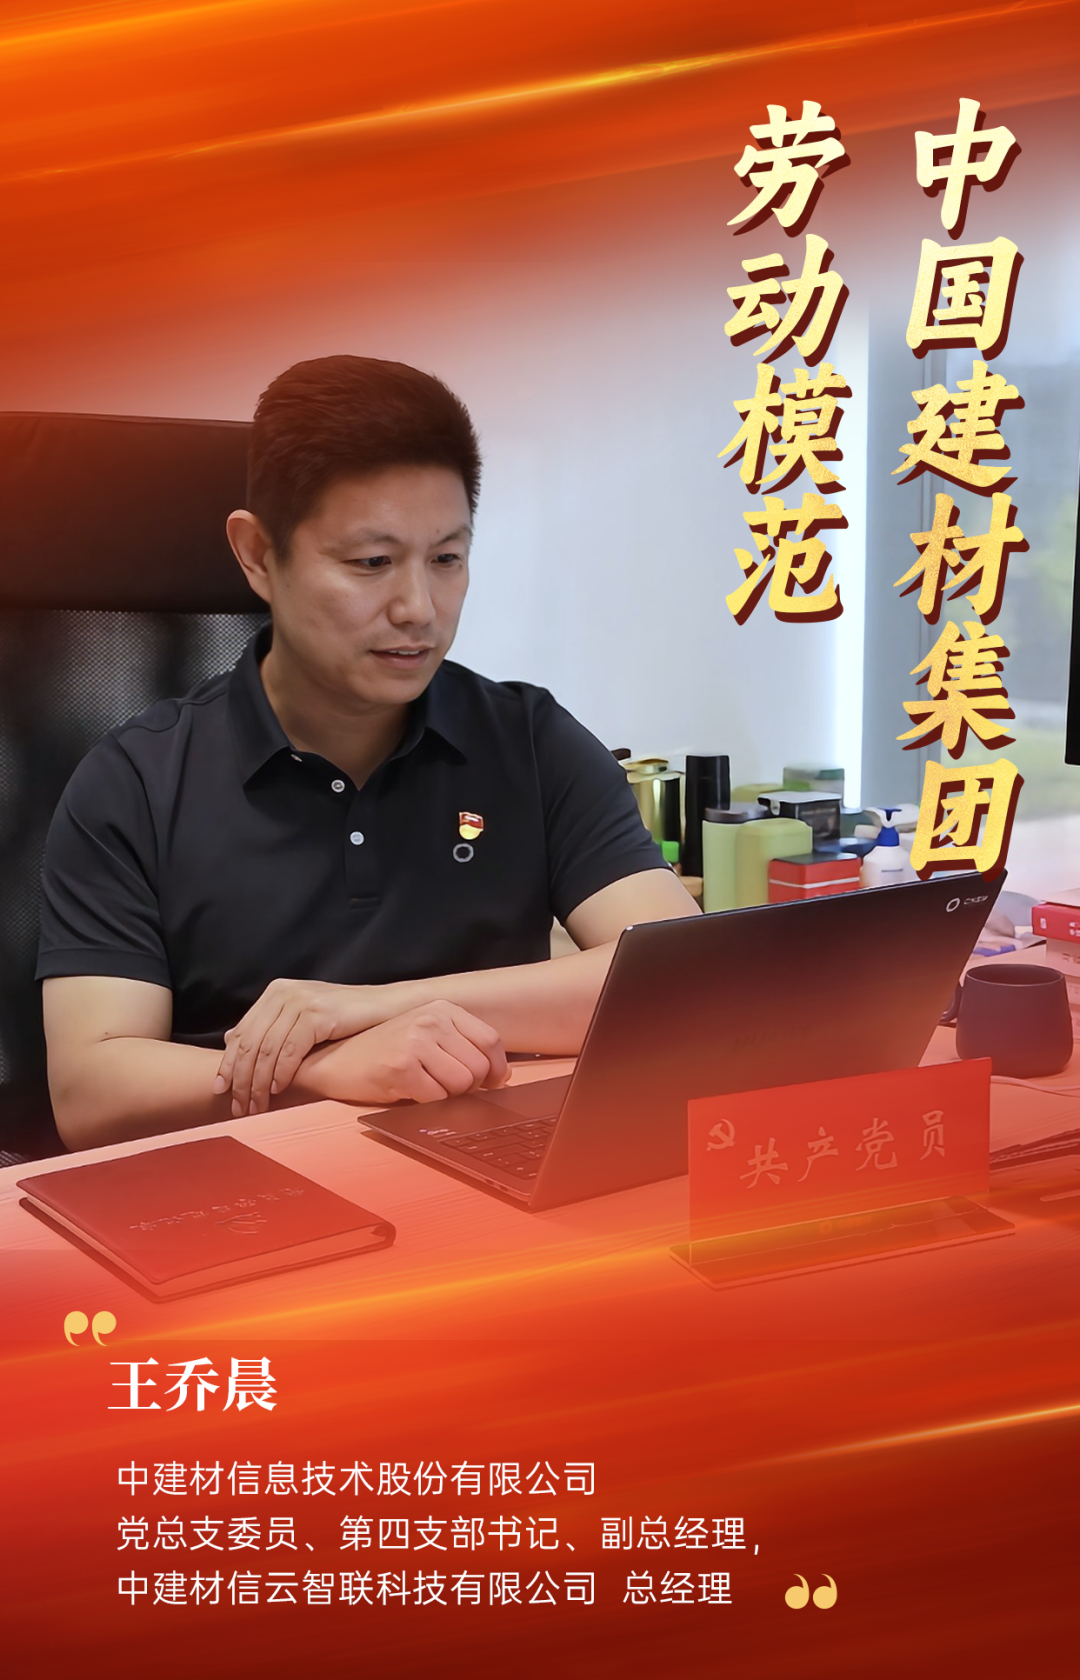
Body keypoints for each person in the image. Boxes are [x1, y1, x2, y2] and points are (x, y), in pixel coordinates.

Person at [37, 356, 699, 1149]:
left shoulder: (530, 741)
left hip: (484, 1165)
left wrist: (370, 1009)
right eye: (371, 563)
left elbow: (680, 978)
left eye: (446, 559)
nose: (418, 608)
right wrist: (323, 1069)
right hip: (239, 1184)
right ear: (258, 555)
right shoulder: (137, 781)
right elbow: (90, 1091)